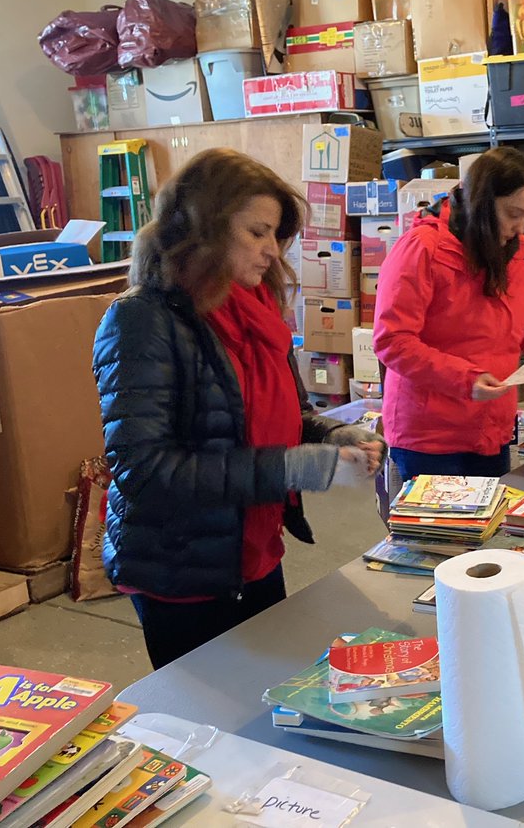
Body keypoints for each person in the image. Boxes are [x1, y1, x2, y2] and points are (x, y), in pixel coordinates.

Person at [92, 148, 385, 669]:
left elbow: (292, 414)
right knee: (210, 720)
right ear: (203, 227)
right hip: (182, 571)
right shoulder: (141, 320)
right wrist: (297, 468)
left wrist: (334, 437)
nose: (272, 251)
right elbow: (145, 470)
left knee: (269, 691)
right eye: (257, 232)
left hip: (252, 551)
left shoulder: (256, 313)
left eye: (277, 235)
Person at [373, 147, 524, 483]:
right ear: (483, 204)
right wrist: (465, 379)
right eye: (513, 214)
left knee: (491, 530)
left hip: (491, 428)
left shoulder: (520, 255)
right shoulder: (422, 250)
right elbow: (392, 341)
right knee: (437, 534)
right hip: (430, 436)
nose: (520, 227)